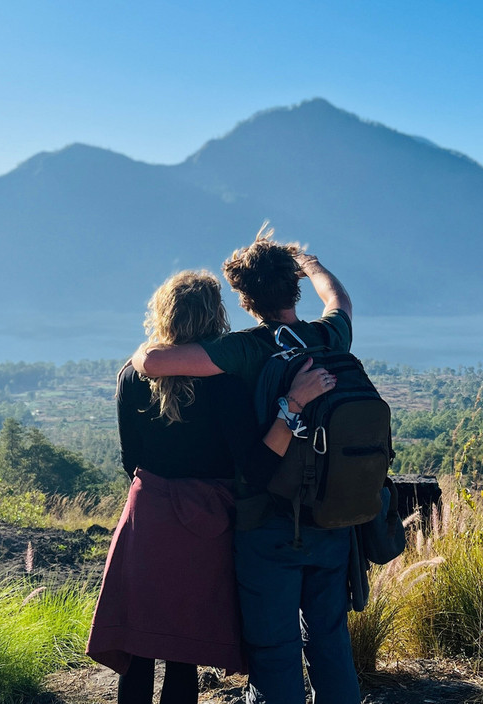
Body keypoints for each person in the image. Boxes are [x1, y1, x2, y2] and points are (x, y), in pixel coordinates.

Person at [131, 228, 359, 704]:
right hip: (333, 517)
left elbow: (151, 364)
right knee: (331, 643)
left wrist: (140, 350)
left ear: (244, 297)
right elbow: (339, 299)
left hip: (265, 521)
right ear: (293, 287)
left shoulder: (242, 350)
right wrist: (312, 266)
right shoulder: (331, 336)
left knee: (274, 650)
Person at [87, 269, 335, 704]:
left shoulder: (132, 375)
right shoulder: (225, 385)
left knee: (138, 649)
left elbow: (131, 462)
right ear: (214, 318)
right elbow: (257, 469)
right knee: (183, 654)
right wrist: (293, 406)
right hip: (208, 524)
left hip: (147, 518)